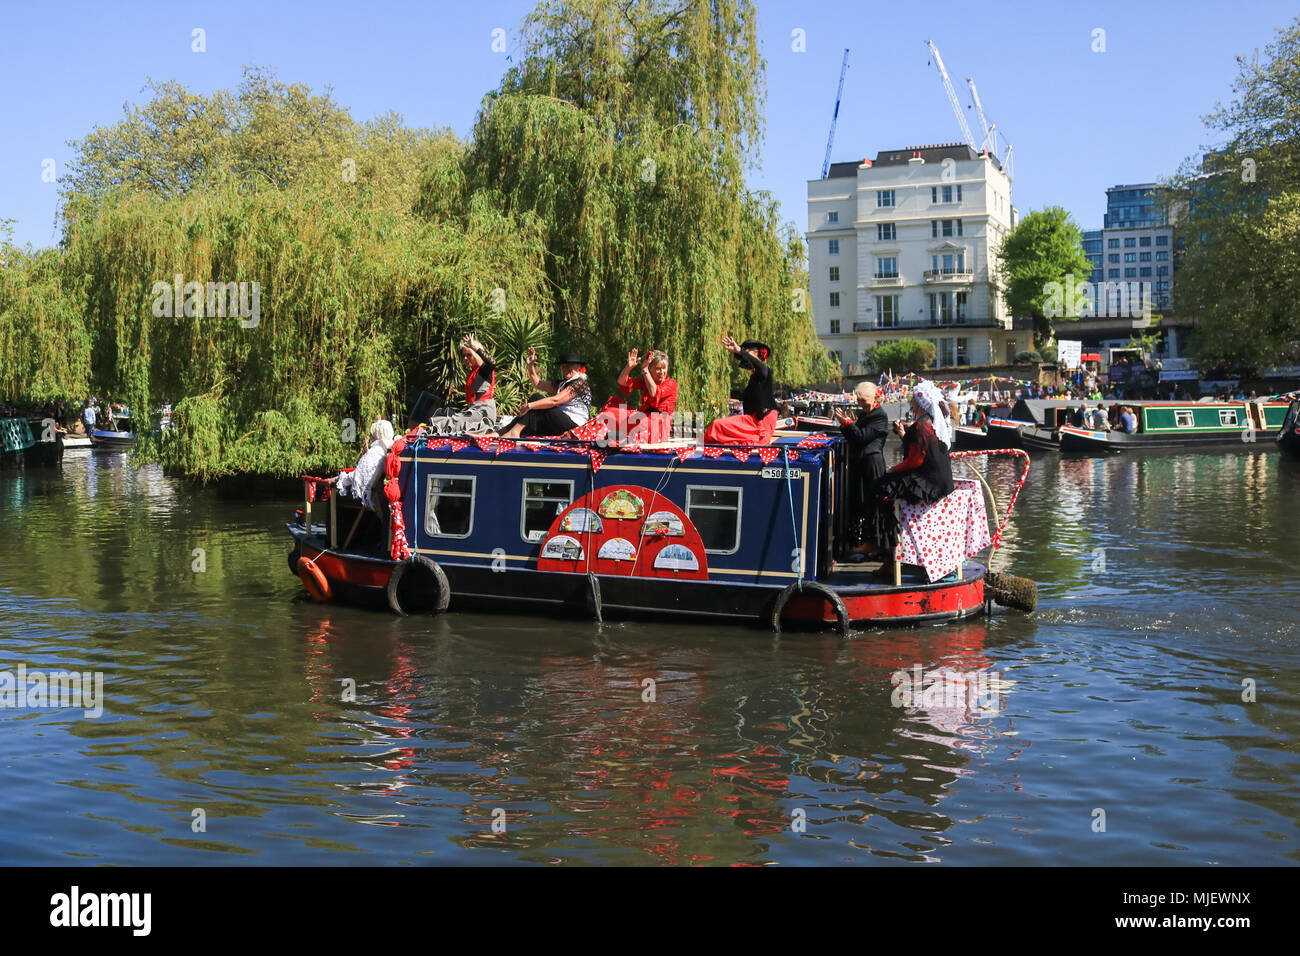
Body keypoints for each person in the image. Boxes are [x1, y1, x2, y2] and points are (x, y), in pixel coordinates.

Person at [860, 380, 955, 575]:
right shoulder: (931, 422)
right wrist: (905, 436)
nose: (911, 405)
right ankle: (885, 547)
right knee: (885, 486)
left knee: (880, 489)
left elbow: (915, 460)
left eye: (913, 402)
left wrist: (893, 470)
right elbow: (923, 452)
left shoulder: (921, 425)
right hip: (939, 480)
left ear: (919, 403)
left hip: (928, 481)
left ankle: (886, 551)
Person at [833, 382, 890, 558]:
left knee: (872, 503)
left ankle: (873, 543)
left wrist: (848, 423)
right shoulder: (864, 414)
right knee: (860, 501)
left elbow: (861, 437)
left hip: (872, 463)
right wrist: (846, 425)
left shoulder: (879, 416)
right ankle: (862, 540)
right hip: (862, 462)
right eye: (858, 400)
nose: (860, 404)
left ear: (874, 398)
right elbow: (853, 437)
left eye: (863, 400)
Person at [495, 350, 592, 439]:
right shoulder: (563, 383)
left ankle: (514, 432)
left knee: (536, 399)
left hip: (574, 427)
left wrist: (530, 406)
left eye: (569, 365)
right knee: (530, 421)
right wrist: (530, 366)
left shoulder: (580, 384)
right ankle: (498, 434)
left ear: (578, 367)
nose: (565, 368)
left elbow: (555, 400)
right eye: (563, 365)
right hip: (560, 423)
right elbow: (538, 384)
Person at [703, 336, 777, 445]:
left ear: (757, 355)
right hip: (751, 420)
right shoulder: (754, 377)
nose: (745, 360)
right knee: (716, 426)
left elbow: (758, 365)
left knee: (716, 425)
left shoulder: (764, 371)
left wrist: (739, 351)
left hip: (762, 421)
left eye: (747, 355)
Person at [598, 348, 678, 444]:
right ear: (650, 368)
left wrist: (645, 370)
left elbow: (654, 392)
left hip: (658, 423)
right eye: (658, 368)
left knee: (640, 423)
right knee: (612, 405)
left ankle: (624, 437)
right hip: (644, 417)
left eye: (664, 368)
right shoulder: (645, 381)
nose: (662, 372)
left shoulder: (671, 383)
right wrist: (628, 367)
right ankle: (619, 435)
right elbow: (622, 382)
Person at [427, 334, 499, 435]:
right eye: (463, 355)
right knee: (443, 417)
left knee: (452, 423)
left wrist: (474, 347)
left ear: (476, 355)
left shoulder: (484, 370)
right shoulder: (472, 373)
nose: (465, 358)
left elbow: (492, 363)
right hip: (473, 411)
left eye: (469, 355)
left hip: (483, 413)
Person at [330, 420, 395, 511]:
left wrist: (338, 479)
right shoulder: (392, 449)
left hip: (372, 499)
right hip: (385, 497)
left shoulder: (375, 451)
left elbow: (355, 478)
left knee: (335, 492)